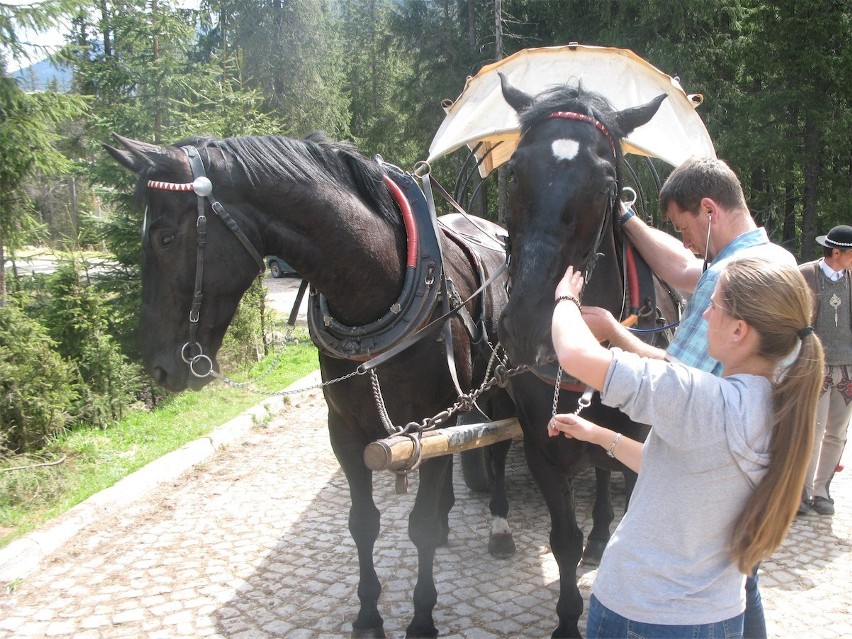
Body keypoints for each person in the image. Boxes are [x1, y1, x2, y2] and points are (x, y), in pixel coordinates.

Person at [548, 256, 824, 639]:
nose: (707, 314)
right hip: (719, 617)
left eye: (716, 305)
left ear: (739, 330)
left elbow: (575, 355)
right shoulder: (776, 407)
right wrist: (597, 434)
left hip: (642, 615)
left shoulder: (700, 398)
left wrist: (565, 300)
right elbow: (673, 469)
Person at [582, 156, 796, 639]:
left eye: (685, 226)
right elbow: (681, 266)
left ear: (709, 209)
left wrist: (613, 334)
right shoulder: (772, 260)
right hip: (754, 468)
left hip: (709, 491)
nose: (686, 241)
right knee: (743, 581)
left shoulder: (729, 280)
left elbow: (679, 382)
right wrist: (626, 218)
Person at [798, 224, 852, 516]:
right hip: (814, 367)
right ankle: (801, 494)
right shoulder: (806, 275)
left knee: (837, 433)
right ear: (837, 252)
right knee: (812, 431)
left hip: (848, 369)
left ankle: (822, 492)